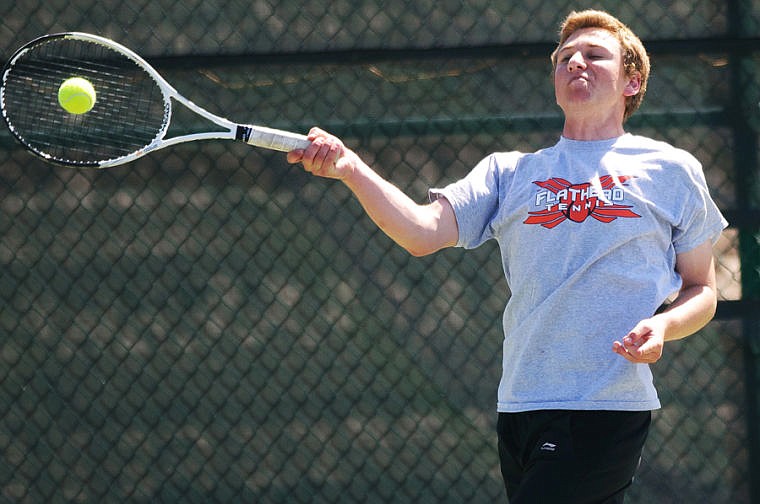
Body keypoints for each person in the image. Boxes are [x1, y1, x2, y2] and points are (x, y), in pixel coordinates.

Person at [287, 9, 727, 503]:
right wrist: (350, 168)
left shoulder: (670, 169)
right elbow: (420, 232)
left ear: (632, 81)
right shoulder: (509, 173)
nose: (575, 62)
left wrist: (664, 327)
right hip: (519, 407)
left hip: (603, 406)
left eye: (595, 55)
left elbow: (703, 290)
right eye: (564, 57)